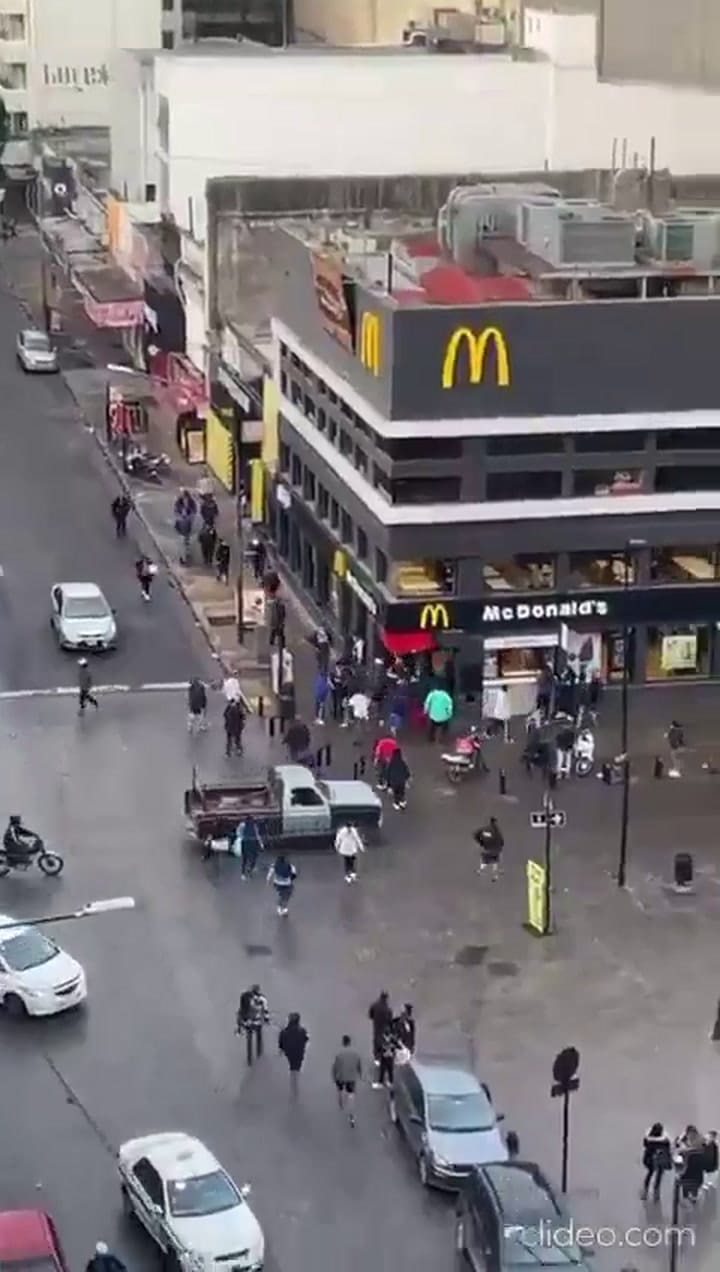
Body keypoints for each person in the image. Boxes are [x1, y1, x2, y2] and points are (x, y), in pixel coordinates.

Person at [332, 1034, 362, 1127]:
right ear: (350, 1042)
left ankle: (341, 1101)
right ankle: (351, 1115)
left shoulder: (339, 1054)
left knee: (340, 1089)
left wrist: (334, 1076)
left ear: (343, 1043)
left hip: (341, 1076)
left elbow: (335, 1067)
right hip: (351, 1077)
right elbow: (359, 1066)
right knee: (351, 1095)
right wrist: (360, 1074)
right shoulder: (355, 1054)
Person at [236, 984, 269, 1066]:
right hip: (257, 1021)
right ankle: (259, 1054)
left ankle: (249, 1059)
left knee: (249, 1039)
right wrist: (266, 1019)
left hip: (248, 1021)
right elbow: (265, 1010)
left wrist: (241, 1021)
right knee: (259, 1037)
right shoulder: (262, 998)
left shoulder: (245, 997)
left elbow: (242, 1009)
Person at [640, 1122, 672, 1201]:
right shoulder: (665, 1139)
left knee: (650, 1173)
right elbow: (668, 1148)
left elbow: (645, 1145)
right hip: (660, 1158)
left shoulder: (648, 1138)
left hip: (650, 1158)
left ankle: (645, 1191)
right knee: (659, 1174)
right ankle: (656, 1192)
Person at [278, 1012, 309, 1094]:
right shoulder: (302, 1030)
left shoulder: (285, 1031)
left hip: (289, 1052)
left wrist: (281, 1049)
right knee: (297, 1066)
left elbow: (281, 1041)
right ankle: (296, 1079)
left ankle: (293, 1080)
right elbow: (306, 1039)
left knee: (292, 1065)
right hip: (299, 1051)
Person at [676, 1125, 705, 1202]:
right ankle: (689, 1195)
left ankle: (691, 1195)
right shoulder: (686, 1139)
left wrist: (686, 1149)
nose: (690, 1135)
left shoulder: (699, 1139)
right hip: (691, 1165)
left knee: (689, 1178)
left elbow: (698, 1148)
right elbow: (678, 1144)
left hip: (692, 1164)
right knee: (690, 1178)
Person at [368, 991, 393, 1064]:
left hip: (377, 1026)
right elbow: (390, 1020)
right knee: (384, 1042)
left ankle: (376, 1057)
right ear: (386, 998)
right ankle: (383, 1057)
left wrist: (375, 1018)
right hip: (385, 1029)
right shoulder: (388, 1008)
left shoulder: (374, 1005)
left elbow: (370, 1015)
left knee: (376, 1041)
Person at [238, 814, 264, 879]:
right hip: (252, 842)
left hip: (247, 842)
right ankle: (249, 869)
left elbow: (238, 833)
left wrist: (242, 838)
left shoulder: (243, 825)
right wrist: (261, 843)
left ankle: (245, 872)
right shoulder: (251, 825)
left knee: (246, 858)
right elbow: (257, 835)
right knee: (253, 856)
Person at [386, 746, 411, 811]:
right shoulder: (402, 762)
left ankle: (396, 803)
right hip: (401, 781)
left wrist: (388, 785)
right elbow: (406, 771)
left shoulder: (391, 763)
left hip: (394, 781)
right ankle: (402, 802)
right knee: (401, 792)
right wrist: (407, 779)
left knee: (396, 793)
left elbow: (388, 773)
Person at [374, 1024, 397, 1089]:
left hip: (387, 1056)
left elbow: (379, 1048)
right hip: (388, 1056)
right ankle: (389, 1082)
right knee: (387, 1070)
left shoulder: (385, 1039)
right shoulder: (392, 1038)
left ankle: (382, 1083)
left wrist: (382, 1050)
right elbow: (396, 1046)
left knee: (385, 1070)